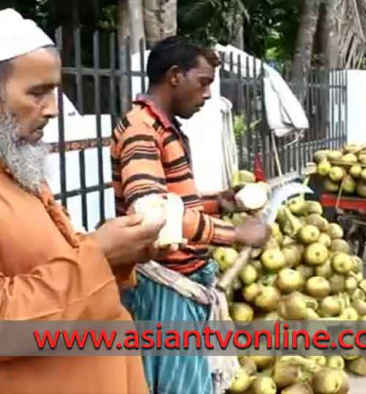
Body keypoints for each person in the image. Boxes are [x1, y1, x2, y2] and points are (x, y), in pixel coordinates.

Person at [0, 9, 160, 394]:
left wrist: (118, 256)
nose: (54, 108)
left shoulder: (14, 168)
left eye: (53, 90)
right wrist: (98, 256)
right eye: (37, 92)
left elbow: (55, 271)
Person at [111, 36, 270, 394]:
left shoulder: (162, 128)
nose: (208, 94)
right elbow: (154, 217)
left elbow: (172, 202)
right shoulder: (142, 131)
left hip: (180, 283)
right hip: (165, 286)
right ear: (174, 77)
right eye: (203, 82)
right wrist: (236, 235)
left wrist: (218, 203)